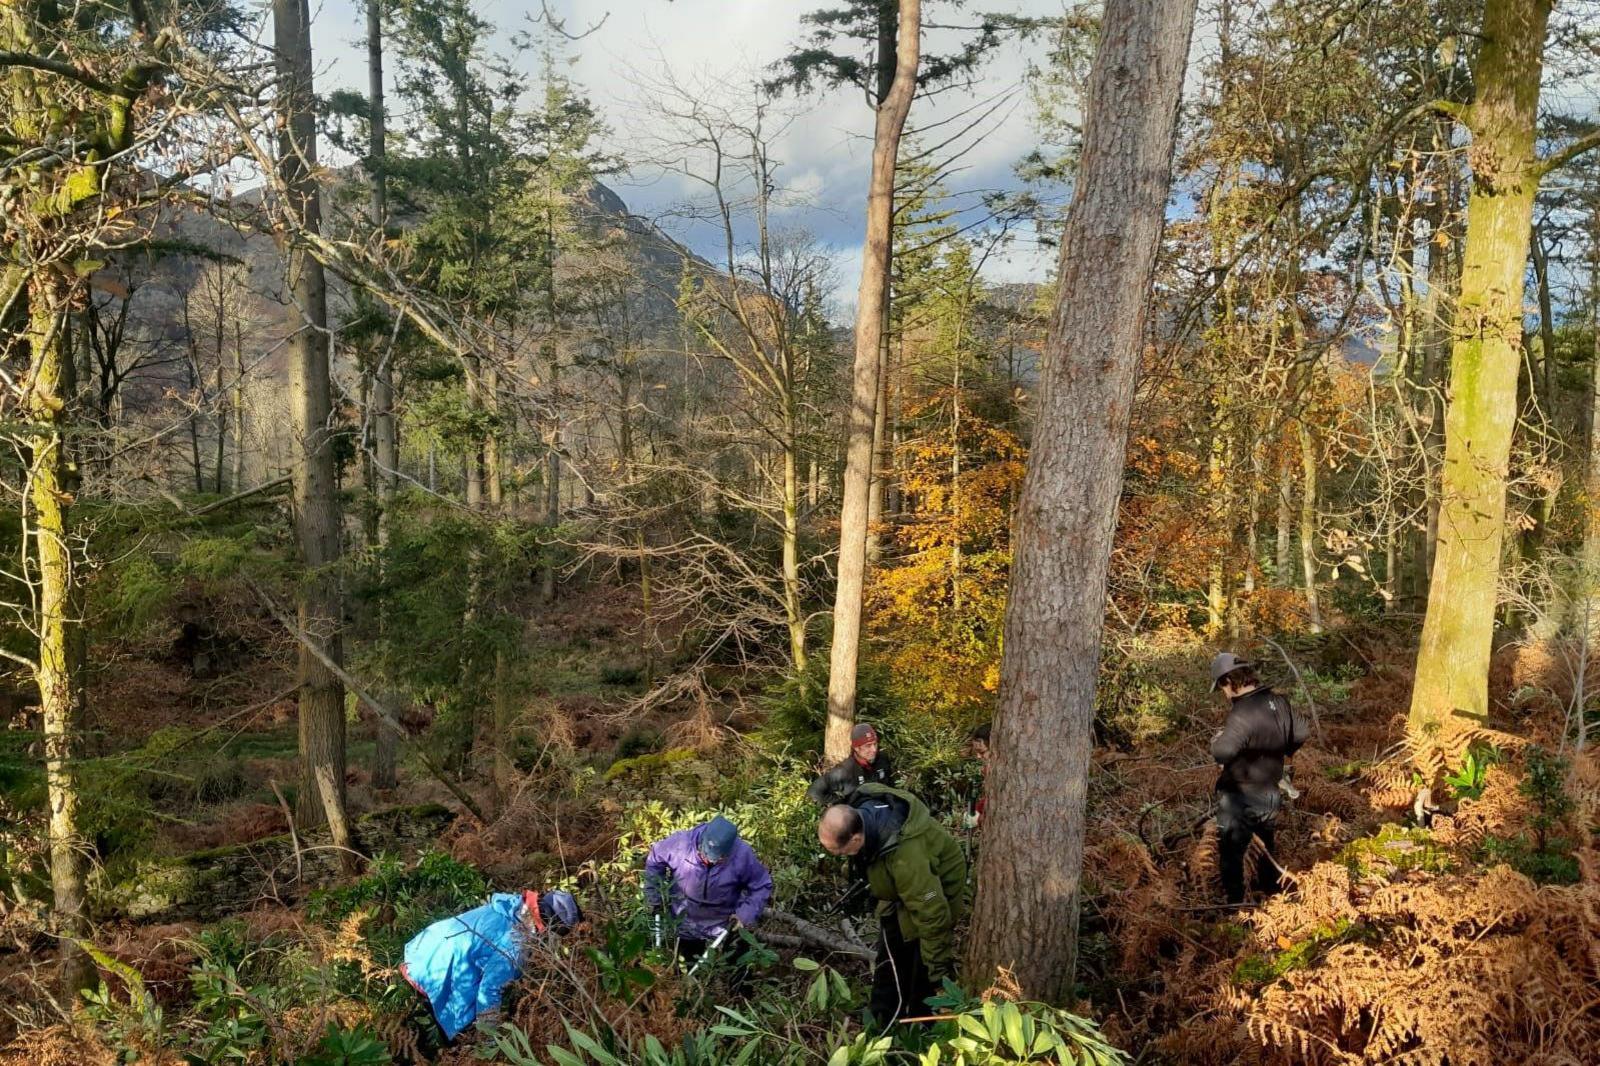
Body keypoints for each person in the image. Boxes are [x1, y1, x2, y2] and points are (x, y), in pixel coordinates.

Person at [817, 783, 967, 1025]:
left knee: (920, 963)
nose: (837, 856)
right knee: (891, 954)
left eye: (839, 851)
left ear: (856, 838)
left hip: (933, 888)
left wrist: (939, 975)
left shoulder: (907, 857)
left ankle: (918, 1026)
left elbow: (933, 915)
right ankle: (883, 1019)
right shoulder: (862, 813)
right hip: (898, 893)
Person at [400, 889, 582, 1041]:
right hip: (431, 975)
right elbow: (488, 992)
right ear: (550, 928)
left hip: (421, 949)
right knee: (454, 1033)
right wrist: (490, 1043)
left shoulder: (509, 906)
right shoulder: (515, 946)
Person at [1209, 652, 1309, 905]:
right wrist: (1281, 748)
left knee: (1232, 852)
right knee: (1265, 847)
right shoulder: (1278, 701)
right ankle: (1273, 901)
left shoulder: (1242, 713)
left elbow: (1222, 752)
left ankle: (1235, 907)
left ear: (1230, 681)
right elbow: (1301, 731)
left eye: (1221, 686)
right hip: (1271, 792)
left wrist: (1217, 741)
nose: (1223, 692)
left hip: (1240, 796)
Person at [643, 815, 773, 965]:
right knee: (687, 967)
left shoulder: (742, 855)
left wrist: (744, 915)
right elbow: (655, 859)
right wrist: (654, 895)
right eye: (706, 856)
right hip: (685, 919)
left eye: (718, 859)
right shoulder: (681, 844)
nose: (710, 861)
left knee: (735, 965)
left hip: (723, 922)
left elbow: (761, 885)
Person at [807, 722, 896, 805]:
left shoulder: (882, 759)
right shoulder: (845, 770)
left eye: (875, 744)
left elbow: (891, 783)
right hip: (861, 815)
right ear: (856, 748)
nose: (874, 749)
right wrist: (840, 802)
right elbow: (814, 792)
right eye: (868, 746)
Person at [965, 723, 992, 828]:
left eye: (981, 752)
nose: (978, 757)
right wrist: (976, 811)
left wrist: (979, 819)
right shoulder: (986, 768)